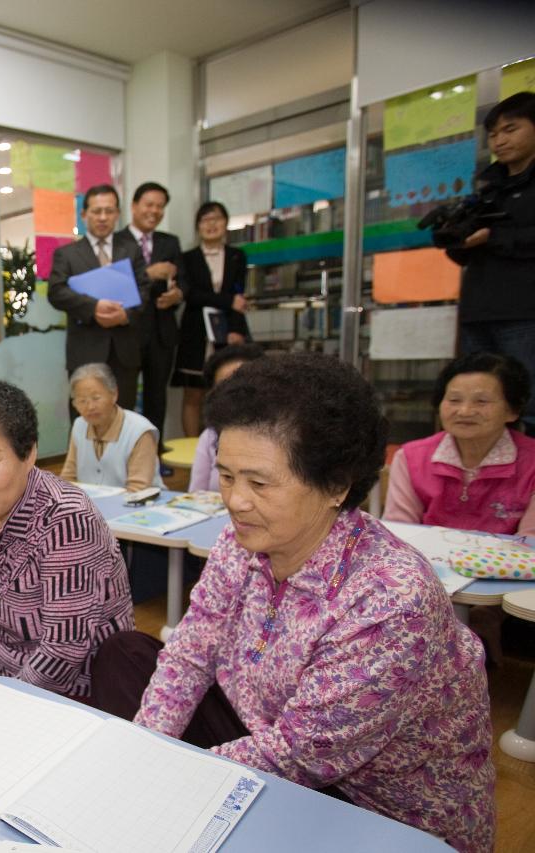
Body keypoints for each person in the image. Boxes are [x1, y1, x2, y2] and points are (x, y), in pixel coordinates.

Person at [90, 353, 495, 852]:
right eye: (228, 476)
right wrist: (145, 747)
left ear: (335, 486)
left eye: (259, 482)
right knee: (126, 654)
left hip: (370, 804)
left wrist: (164, 783)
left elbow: (298, 754)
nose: (235, 500)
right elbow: (191, 653)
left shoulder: (391, 600)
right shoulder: (242, 539)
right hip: (267, 730)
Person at [0, 379, 134, 699]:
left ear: (28, 454)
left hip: (73, 690)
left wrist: (3, 699)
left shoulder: (67, 519)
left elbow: (64, 648)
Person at [446, 91, 535, 432]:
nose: (500, 140)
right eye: (495, 133)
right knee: (477, 400)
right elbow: (461, 253)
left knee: (525, 402)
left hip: (524, 310)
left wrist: (495, 238)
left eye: (511, 129)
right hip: (479, 310)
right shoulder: (487, 187)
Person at [384, 352, 535, 536]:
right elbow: (398, 534)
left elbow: (531, 545)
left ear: (513, 410)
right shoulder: (410, 458)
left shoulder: (531, 463)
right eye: (454, 400)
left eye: (481, 401)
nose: (464, 411)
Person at [48, 184, 150, 412]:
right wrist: (94, 307)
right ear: (84, 215)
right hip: (86, 350)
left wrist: (125, 315)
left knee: (124, 418)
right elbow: (56, 292)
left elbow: (145, 290)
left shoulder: (131, 250)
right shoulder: (67, 254)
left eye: (109, 211)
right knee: (84, 419)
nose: (103, 217)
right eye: (96, 211)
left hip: (125, 351)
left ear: (117, 214)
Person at [172, 201, 250, 437]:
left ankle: (225, 445)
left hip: (228, 330)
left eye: (217, 219)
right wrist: (227, 301)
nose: (211, 224)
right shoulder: (187, 258)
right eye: (205, 220)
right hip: (196, 331)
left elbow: (240, 296)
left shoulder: (237, 256)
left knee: (228, 390)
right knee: (193, 393)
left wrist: (236, 328)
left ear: (226, 223)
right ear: (198, 226)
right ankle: (193, 448)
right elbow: (191, 295)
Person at [120, 182, 185, 438]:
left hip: (162, 332)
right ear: (134, 206)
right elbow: (115, 283)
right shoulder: (117, 241)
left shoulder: (170, 242)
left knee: (156, 397)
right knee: (123, 398)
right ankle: (124, 458)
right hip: (127, 332)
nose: (154, 211)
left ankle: (154, 457)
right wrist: (147, 273)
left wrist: (178, 295)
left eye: (160, 207)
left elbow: (185, 281)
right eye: (149, 204)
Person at [59, 362, 162, 491]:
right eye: (82, 401)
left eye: (96, 398)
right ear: (74, 403)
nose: (90, 407)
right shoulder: (80, 425)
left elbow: (138, 489)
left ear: (114, 394)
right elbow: (68, 478)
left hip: (140, 506)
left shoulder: (140, 431)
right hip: (92, 507)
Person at [187, 343, 265, 492]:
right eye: (224, 386)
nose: (236, 393)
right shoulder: (210, 436)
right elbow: (196, 496)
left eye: (244, 382)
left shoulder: (284, 435)